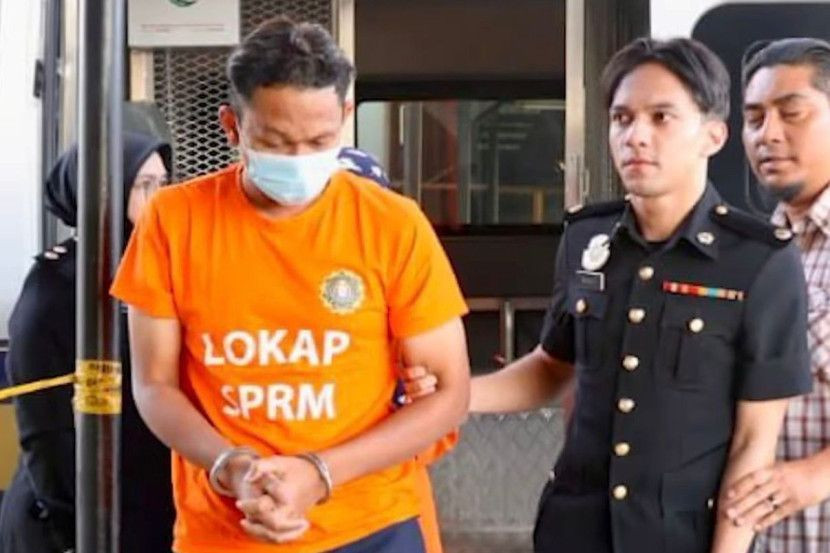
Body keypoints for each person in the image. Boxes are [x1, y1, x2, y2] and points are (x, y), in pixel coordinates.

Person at [403, 37, 813, 553]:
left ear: (713, 135)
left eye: (661, 118)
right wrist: (454, 397)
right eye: (622, 119)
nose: (636, 136)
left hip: (678, 536)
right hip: (574, 530)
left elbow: (754, 443)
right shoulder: (586, 237)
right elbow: (553, 367)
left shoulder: (759, 260)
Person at [109, 15, 469, 553]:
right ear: (232, 126)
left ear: (346, 116)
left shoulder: (393, 224)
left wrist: (320, 473)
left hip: (371, 525)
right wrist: (232, 467)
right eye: (276, 143)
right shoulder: (173, 221)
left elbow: (449, 394)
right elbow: (154, 385)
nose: (300, 160)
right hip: (226, 530)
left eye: (320, 140)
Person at [0, 132, 176, 553]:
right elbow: (46, 430)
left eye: (163, 184)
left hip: (142, 510)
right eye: (143, 185)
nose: (159, 199)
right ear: (103, 193)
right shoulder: (57, 287)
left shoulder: (156, 269)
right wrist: (74, 528)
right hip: (73, 519)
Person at [712, 37, 830, 552]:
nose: (769, 134)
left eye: (792, 113)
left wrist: (817, 474)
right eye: (755, 118)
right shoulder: (755, 253)